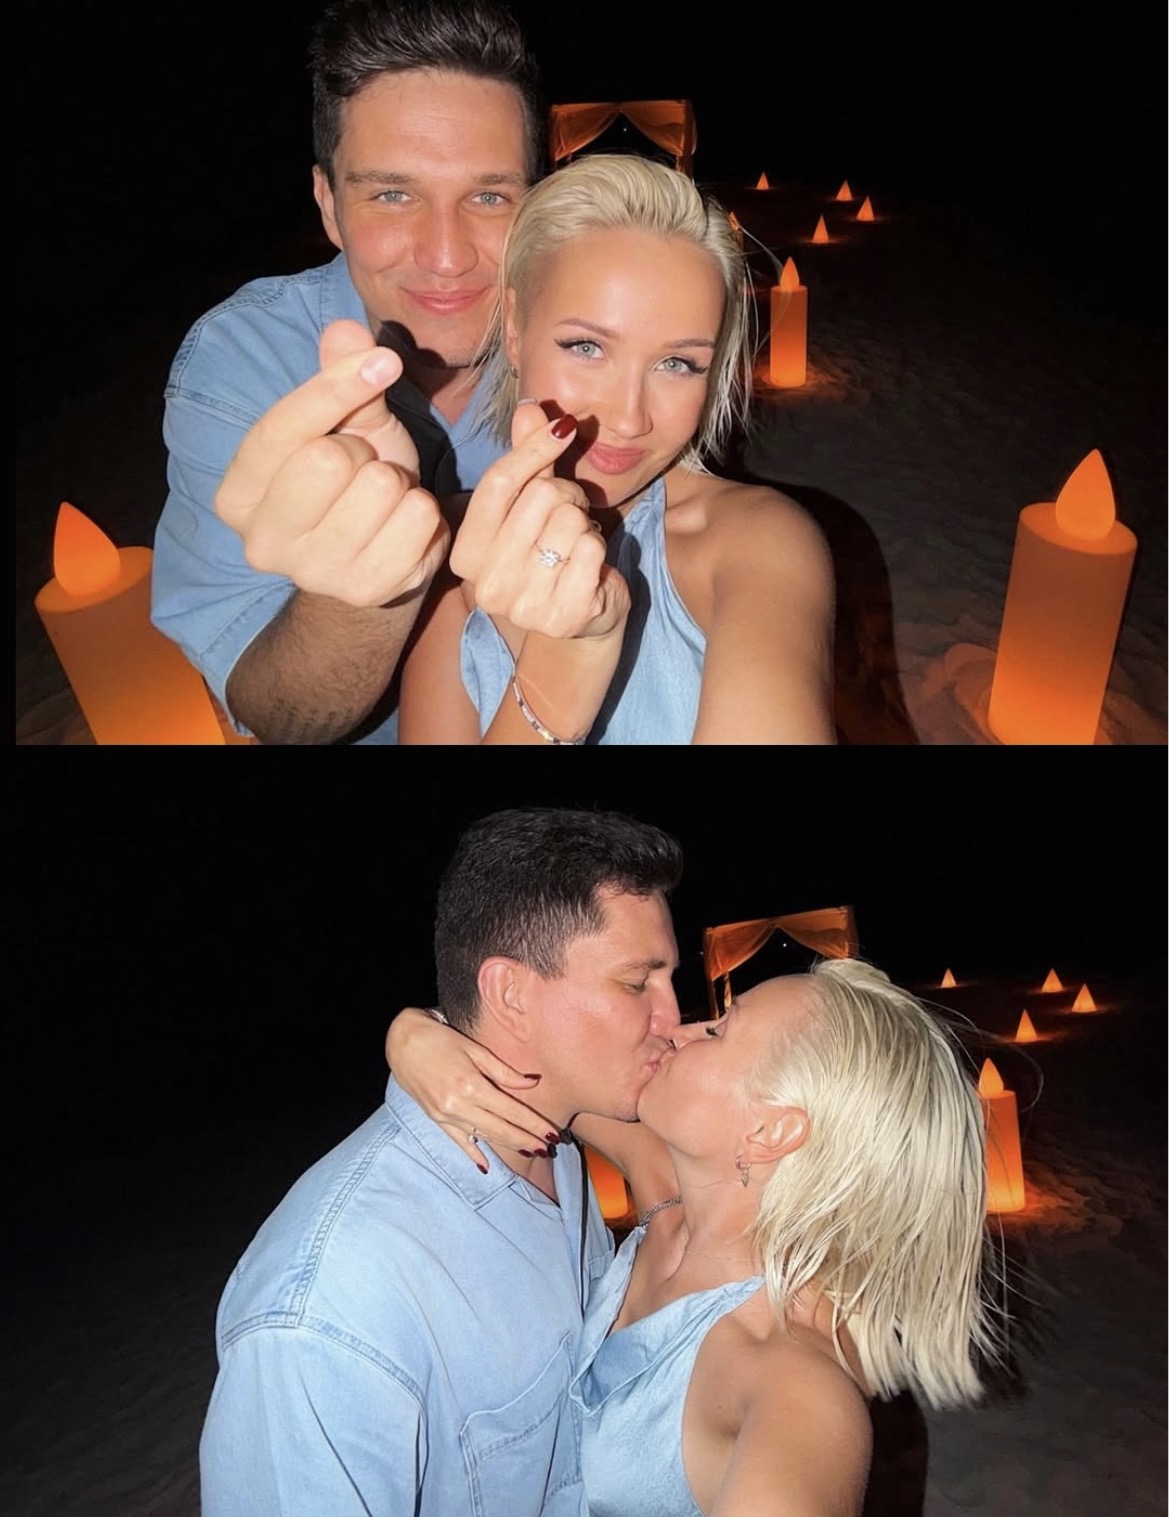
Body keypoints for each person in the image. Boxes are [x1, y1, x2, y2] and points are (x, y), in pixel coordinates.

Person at [198, 806, 685, 1516]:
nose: (673, 1018)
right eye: (638, 983)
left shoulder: (563, 1143)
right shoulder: (331, 1307)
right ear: (511, 994)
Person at [390, 958, 1003, 1515]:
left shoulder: (795, 1385)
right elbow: (529, 1071)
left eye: (718, 1031)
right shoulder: (667, 1198)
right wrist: (412, 1032)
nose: (676, 1031)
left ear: (770, 1131)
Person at [150, 0, 542, 745]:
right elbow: (277, 714)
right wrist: (369, 594)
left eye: (489, 196)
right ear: (329, 206)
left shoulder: (587, 338)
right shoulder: (244, 363)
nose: (447, 255)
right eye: (392, 194)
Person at [396, 153, 838, 744]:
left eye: (677, 363)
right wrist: (559, 677)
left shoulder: (758, 545)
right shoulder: (450, 555)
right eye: (586, 347)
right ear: (516, 330)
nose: (629, 420)